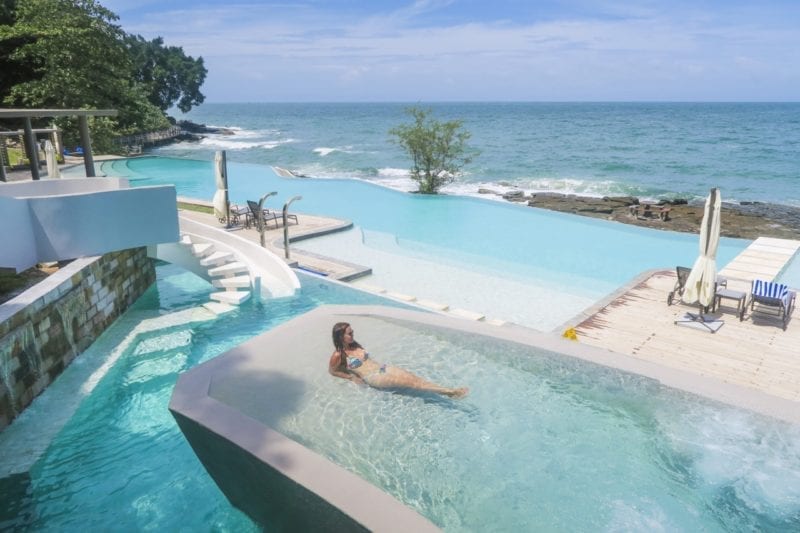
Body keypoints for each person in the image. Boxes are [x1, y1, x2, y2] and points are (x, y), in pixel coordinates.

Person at [328, 322, 468, 398]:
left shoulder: (355, 344)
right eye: (350, 333)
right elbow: (332, 371)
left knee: (417, 380)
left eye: (352, 332)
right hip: (374, 377)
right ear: (341, 336)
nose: (353, 334)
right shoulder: (338, 355)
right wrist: (351, 377)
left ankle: (446, 391)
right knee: (415, 384)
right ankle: (450, 392)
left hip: (383, 368)